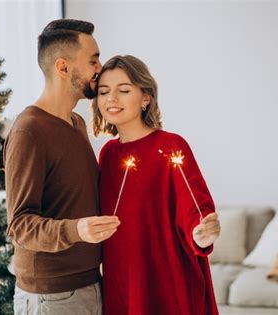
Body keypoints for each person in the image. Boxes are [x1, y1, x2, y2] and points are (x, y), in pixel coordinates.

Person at [4, 19, 120, 315]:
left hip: (90, 284)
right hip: (51, 297)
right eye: (93, 60)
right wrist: (77, 229)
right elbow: (19, 225)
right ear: (63, 67)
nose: (100, 68)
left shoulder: (77, 123)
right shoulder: (29, 131)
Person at [92, 55, 221, 315]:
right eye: (103, 92)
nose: (111, 99)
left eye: (124, 90)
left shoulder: (171, 146)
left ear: (145, 97)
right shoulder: (107, 154)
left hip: (167, 280)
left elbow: (195, 206)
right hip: (122, 281)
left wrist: (201, 231)